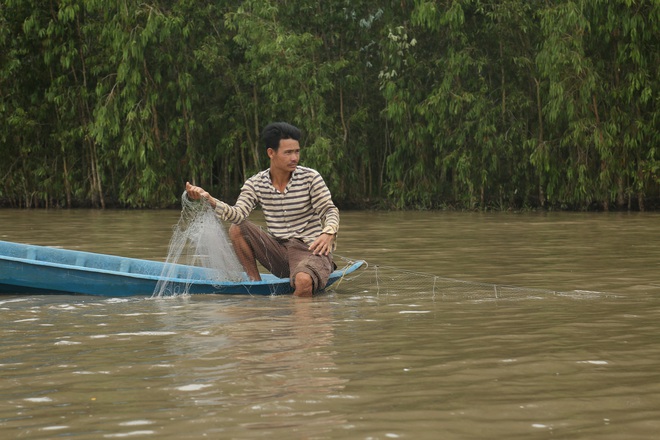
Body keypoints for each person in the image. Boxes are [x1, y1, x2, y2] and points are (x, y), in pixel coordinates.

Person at [185, 122, 339, 297]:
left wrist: (329, 232)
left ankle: (292, 322)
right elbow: (237, 214)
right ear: (271, 153)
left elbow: (329, 210)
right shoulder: (255, 183)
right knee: (238, 228)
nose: (294, 158)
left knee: (303, 282)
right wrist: (210, 200)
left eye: (296, 151)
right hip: (279, 254)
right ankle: (255, 284)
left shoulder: (311, 178)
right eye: (288, 152)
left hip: (311, 251)